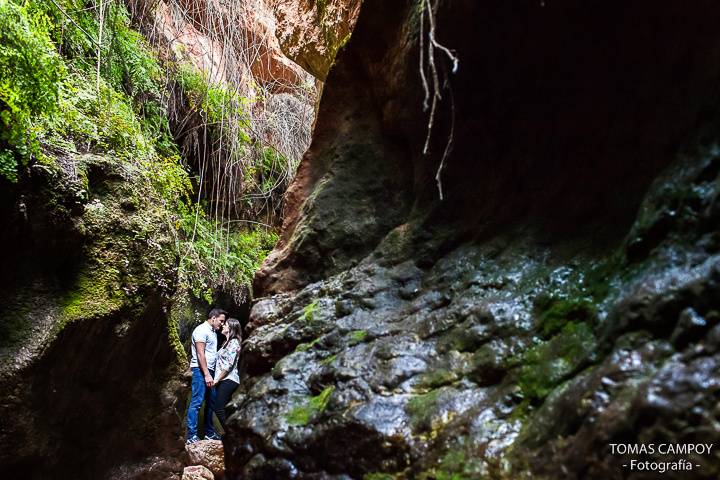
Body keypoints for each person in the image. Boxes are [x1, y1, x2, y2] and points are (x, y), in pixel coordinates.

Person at [186, 308, 226, 444]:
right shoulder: (201, 330)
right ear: (213, 318)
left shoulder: (213, 332)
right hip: (200, 371)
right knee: (197, 402)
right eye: (221, 321)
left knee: (211, 401)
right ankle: (191, 436)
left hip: (210, 371)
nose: (222, 324)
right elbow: (200, 354)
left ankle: (209, 432)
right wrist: (207, 374)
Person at [213, 317, 242, 429]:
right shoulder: (225, 343)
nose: (223, 325)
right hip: (223, 379)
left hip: (229, 379)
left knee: (219, 408)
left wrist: (217, 379)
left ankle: (231, 435)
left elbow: (229, 365)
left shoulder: (234, 342)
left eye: (226, 324)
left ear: (231, 328)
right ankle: (235, 433)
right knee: (226, 409)